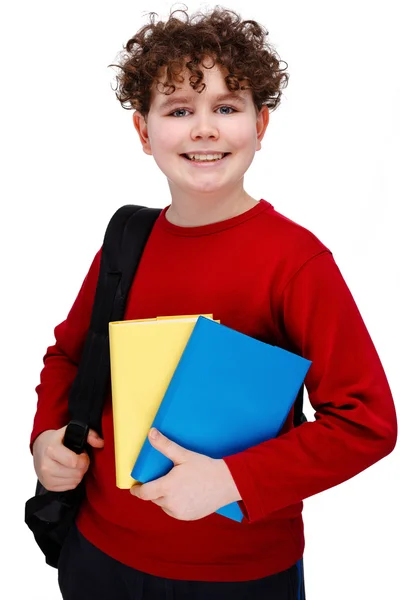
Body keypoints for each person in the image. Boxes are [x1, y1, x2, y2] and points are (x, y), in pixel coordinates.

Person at [30, 6, 397, 600]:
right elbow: (67, 355)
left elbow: (365, 422)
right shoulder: (127, 241)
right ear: (144, 133)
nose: (204, 128)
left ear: (262, 124)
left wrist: (231, 479)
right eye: (179, 110)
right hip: (96, 554)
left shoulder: (297, 262)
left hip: (239, 575)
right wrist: (46, 437)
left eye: (227, 107)